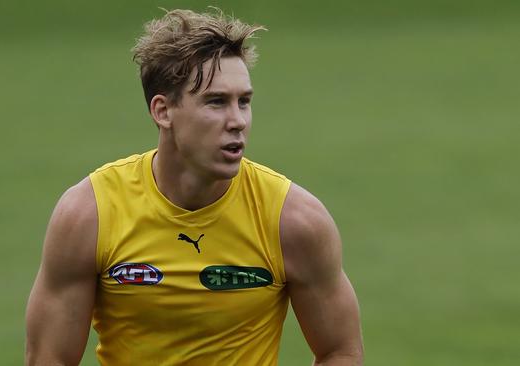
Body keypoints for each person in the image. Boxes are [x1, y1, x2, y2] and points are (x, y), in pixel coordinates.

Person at [25, 8, 363, 366]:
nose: (237, 121)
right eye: (216, 102)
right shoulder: (89, 213)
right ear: (163, 111)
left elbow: (339, 351)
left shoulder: (293, 220)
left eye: (244, 101)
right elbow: (50, 357)